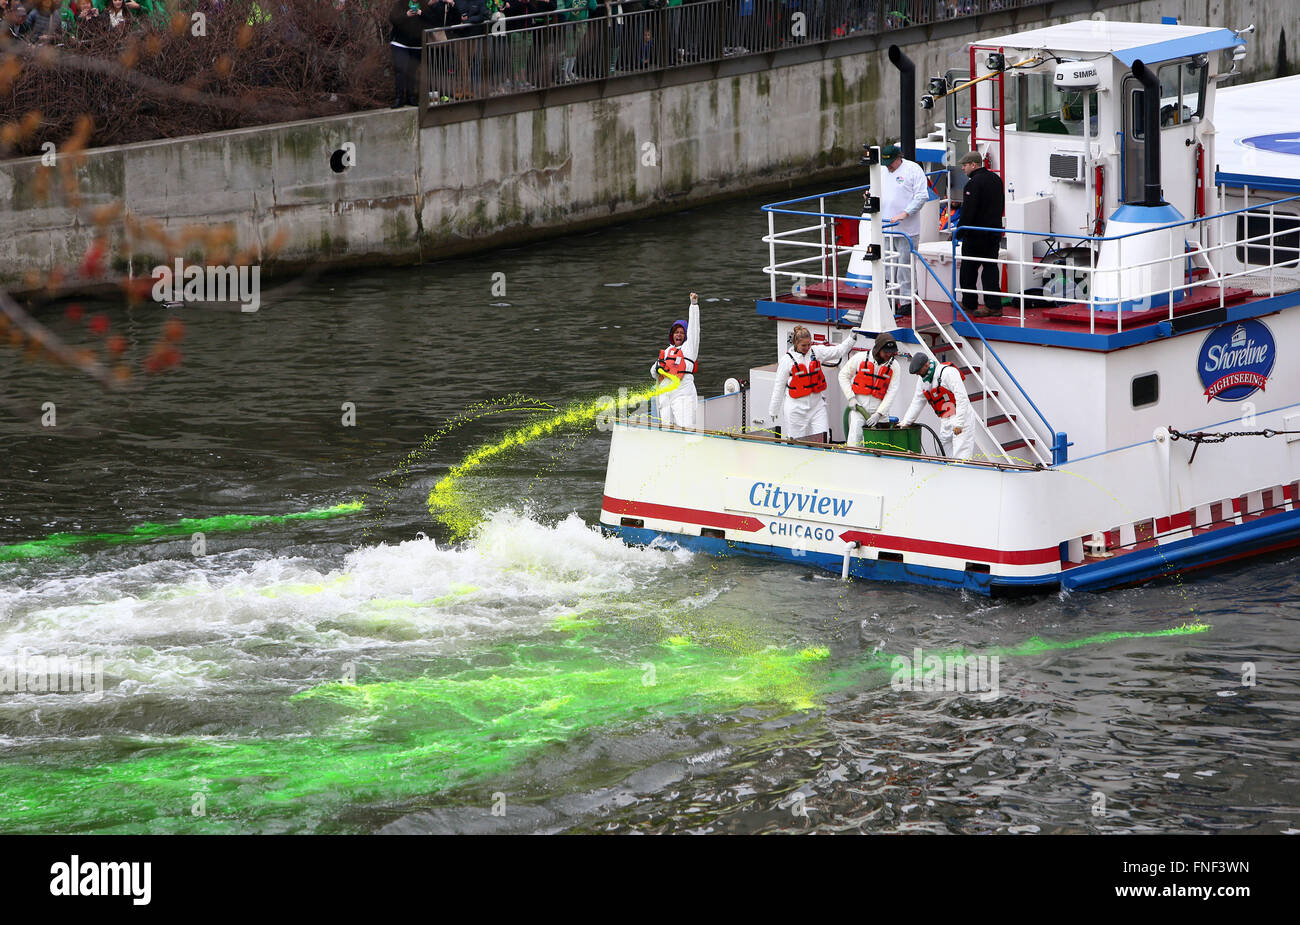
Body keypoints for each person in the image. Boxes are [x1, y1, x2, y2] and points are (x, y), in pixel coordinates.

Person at [767, 325, 857, 443]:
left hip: (817, 406)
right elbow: (779, 386)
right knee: (796, 441)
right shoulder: (787, 360)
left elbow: (837, 351)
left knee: (824, 438)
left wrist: (851, 339)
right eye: (803, 345)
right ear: (796, 343)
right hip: (795, 409)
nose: (807, 347)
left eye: (809, 344)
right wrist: (773, 410)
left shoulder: (816, 351)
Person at [877, 143, 928, 312]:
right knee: (888, 265)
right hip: (885, 227)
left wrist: (905, 213)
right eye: (886, 163)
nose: (889, 166)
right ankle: (891, 298)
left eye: (891, 162)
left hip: (907, 229)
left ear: (899, 158)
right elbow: (875, 190)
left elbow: (922, 196)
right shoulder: (882, 171)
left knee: (905, 266)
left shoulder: (913, 170)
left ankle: (906, 300)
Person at [954, 151, 1005, 318]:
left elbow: (969, 211)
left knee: (968, 269)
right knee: (990, 269)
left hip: (976, 235)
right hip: (993, 233)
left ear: (973, 165)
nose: (963, 168)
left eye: (965, 165)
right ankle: (994, 305)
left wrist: (960, 231)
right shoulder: (996, 180)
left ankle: (969, 302)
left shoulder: (973, 184)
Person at [899, 353, 975, 460]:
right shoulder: (923, 380)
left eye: (918, 371)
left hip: (961, 416)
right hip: (946, 417)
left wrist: (959, 423)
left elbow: (962, 398)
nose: (917, 374)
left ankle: (960, 473)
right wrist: (905, 422)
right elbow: (917, 401)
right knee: (943, 451)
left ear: (926, 365)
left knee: (961, 452)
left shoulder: (947, 372)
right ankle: (946, 474)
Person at [838, 334, 902, 446]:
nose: (889, 355)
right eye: (886, 352)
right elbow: (843, 375)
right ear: (878, 349)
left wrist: (879, 413)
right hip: (859, 410)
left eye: (891, 352)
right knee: (855, 444)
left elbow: (892, 392)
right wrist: (851, 398)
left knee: (881, 446)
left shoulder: (894, 366)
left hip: (880, 415)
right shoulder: (859, 358)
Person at [650, 291, 700, 429]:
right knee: (666, 428)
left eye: (682, 332)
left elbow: (695, 330)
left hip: (683, 392)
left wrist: (694, 305)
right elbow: (653, 372)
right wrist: (657, 367)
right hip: (666, 394)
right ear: (672, 335)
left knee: (686, 426)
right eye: (676, 332)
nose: (679, 335)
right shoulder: (667, 351)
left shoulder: (690, 349)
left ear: (686, 335)